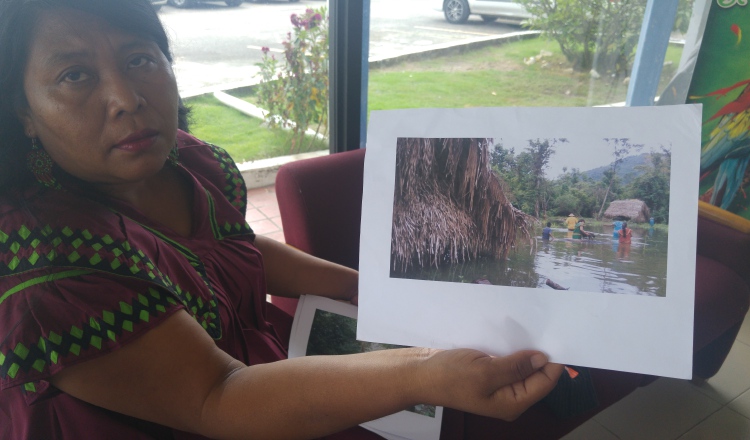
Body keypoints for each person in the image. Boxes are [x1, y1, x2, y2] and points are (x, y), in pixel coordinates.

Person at [0, 1, 563, 439]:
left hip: (264, 379)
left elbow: (233, 247)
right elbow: (217, 395)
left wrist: (360, 287)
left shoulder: (181, 161)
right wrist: (425, 373)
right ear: (24, 111)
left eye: (140, 59)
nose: (126, 97)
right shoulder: (44, 266)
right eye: (74, 75)